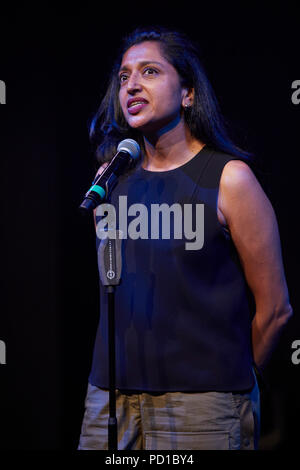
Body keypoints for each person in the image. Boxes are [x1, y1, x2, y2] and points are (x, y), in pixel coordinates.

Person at [78, 26, 293, 450]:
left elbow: (276, 310)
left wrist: (225, 382)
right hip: (109, 399)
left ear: (188, 93)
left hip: (202, 406)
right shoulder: (111, 180)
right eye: (124, 77)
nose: (132, 85)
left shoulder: (229, 179)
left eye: (150, 71)